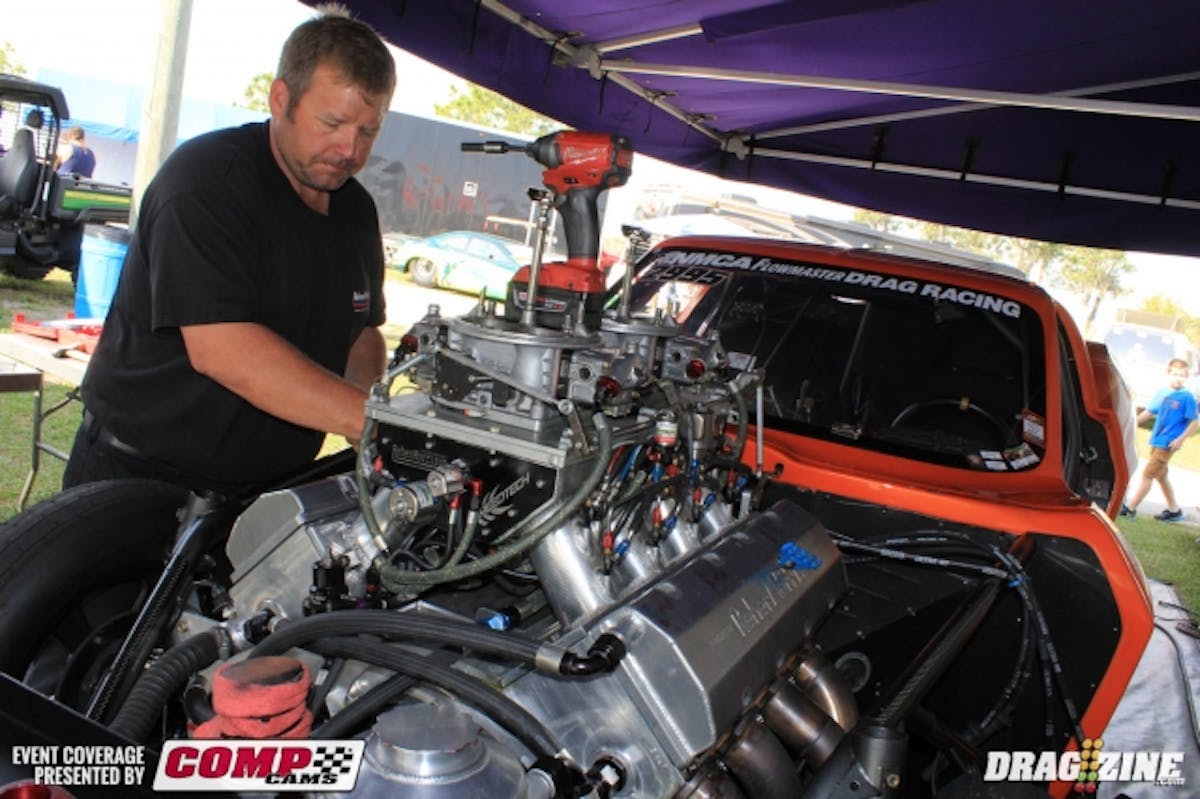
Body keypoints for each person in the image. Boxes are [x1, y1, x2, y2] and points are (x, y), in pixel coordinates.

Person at [62, 6, 397, 496]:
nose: (349, 149)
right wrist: (375, 423)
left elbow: (362, 334)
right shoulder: (206, 182)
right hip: (139, 481)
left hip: (264, 491)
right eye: (332, 123)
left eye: (368, 131)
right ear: (281, 99)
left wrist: (366, 414)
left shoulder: (355, 210)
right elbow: (224, 349)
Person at [1120, 357, 1199, 522]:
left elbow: (1195, 421)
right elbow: (1149, 412)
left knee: (1147, 474)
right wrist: (1129, 424)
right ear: (1168, 374)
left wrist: (1180, 440)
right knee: (1160, 476)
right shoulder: (1162, 393)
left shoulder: (1187, 397)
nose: (1178, 378)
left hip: (1168, 443)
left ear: (1186, 377)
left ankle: (1131, 508)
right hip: (1157, 440)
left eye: (1182, 375)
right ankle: (1174, 510)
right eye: (1175, 374)